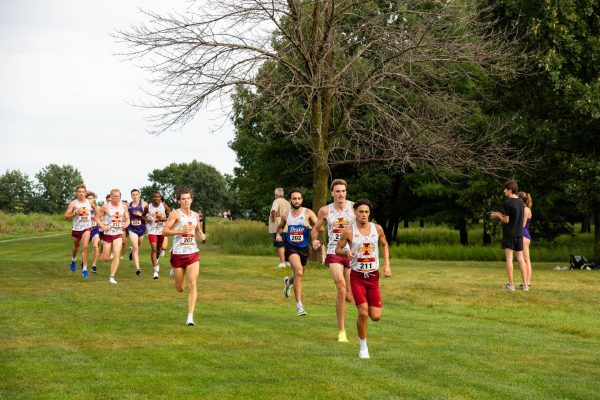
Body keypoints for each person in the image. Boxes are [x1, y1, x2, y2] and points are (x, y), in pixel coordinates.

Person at [335, 199, 391, 359]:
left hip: (373, 278)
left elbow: (384, 245)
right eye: (361, 212)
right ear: (355, 213)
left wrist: (387, 265)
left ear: (369, 213)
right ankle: (363, 347)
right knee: (364, 313)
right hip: (357, 277)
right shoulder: (348, 231)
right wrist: (346, 253)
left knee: (376, 316)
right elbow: (338, 248)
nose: (364, 215)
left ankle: (363, 324)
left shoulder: (377, 228)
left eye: (366, 212)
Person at [311, 179, 355, 343]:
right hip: (333, 252)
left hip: (351, 253)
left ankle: (349, 292)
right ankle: (342, 331)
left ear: (346, 192)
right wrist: (314, 240)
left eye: (343, 191)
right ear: (332, 193)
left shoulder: (354, 208)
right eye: (337, 191)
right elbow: (315, 230)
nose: (340, 194)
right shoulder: (325, 210)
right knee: (341, 288)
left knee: (349, 295)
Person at [162, 187, 206, 326]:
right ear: (179, 201)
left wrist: (201, 235)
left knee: (193, 283)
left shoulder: (195, 215)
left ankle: (190, 317)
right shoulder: (175, 214)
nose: (186, 201)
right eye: (183, 199)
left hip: (192, 253)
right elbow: (164, 231)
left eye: (188, 198)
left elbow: (198, 230)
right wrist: (181, 230)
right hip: (178, 254)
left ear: (191, 200)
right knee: (180, 288)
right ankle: (174, 271)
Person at [276, 189, 318, 316]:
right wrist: (278, 234)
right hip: (291, 248)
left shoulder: (308, 213)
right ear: (290, 200)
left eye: (299, 198)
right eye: (294, 199)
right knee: (299, 271)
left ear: (302, 200)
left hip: (304, 248)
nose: (297, 201)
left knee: (300, 273)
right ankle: (299, 306)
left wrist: (309, 227)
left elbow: (320, 227)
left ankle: (288, 282)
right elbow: (280, 226)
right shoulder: (286, 214)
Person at [490, 180, 528, 291]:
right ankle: (525, 284)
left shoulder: (507, 202)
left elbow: (506, 220)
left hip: (509, 234)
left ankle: (511, 285)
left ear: (510, 190)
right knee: (521, 259)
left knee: (509, 259)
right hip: (519, 234)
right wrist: (500, 214)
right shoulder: (521, 202)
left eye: (505, 189)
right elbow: (513, 217)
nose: (504, 191)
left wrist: (498, 216)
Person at [96, 188, 130, 284]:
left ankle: (112, 277)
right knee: (106, 258)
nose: (117, 198)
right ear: (110, 197)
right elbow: (97, 217)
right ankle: (103, 245)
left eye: (118, 196)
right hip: (107, 234)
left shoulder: (123, 206)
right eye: (115, 196)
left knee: (116, 255)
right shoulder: (105, 207)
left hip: (118, 233)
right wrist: (102, 226)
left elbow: (127, 219)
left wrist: (126, 224)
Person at [64, 184, 94, 278]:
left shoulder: (89, 202)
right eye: (79, 192)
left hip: (87, 227)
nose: (81, 193)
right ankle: (73, 260)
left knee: (85, 247)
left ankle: (84, 269)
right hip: (77, 228)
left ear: (85, 193)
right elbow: (65, 217)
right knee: (76, 247)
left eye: (83, 192)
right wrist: (76, 212)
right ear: (77, 193)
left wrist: (98, 219)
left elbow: (98, 210)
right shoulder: (74, 203)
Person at [143, 192, 171, 279]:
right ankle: (155, 271)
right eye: (155, 197)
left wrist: (163, 219)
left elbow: (171, 217)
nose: (157, 198)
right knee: (154, 248)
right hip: (152, 231)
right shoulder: (148, 207)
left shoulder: (164, 206)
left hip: (161, 231)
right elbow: (142, 216)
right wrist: (146, 219)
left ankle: (156, 260)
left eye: (158, 197)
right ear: (152, 198)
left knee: (158, 250)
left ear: (160, 198)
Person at [127, 189, 148, 276]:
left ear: (139, 195)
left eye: (136, 194)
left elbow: (149, 219)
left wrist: (141, 214)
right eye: (133, 195)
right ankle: (137, 269)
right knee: (136, 249)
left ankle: (131, 250)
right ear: (131, 196)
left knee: (137, 247)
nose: (135, 196)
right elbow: (125, 216)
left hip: (142, 229)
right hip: (132, 229)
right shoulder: (128, 205)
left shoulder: (144, 205)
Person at [269, 188, 291, 268]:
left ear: (276, 195)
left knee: (280, 245)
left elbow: (273, 210)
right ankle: (288, 261)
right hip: (288, 225)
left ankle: (282, 263)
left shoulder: (276, 201)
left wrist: (273, 218)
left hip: (279, 225)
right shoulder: (287, 202)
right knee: (286, 244)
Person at [517, 192, 533, 289]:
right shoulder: (527, 209)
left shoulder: (525, 209)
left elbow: (522, 225)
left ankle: (527, 282)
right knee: (526, 260)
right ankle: (527, 281)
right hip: (526, 235)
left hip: (523, 234)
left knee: (525, 260)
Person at [86, 191, 101, 273]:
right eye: (88, 198)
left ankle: (94, 265)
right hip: (86, 230)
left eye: (92, 198)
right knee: (84, 247)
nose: (90, 200)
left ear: (94, 199)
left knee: (95, 246)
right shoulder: (83, 207)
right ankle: (83, 261)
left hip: (95, 230)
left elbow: (100, 216)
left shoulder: (97, 208)